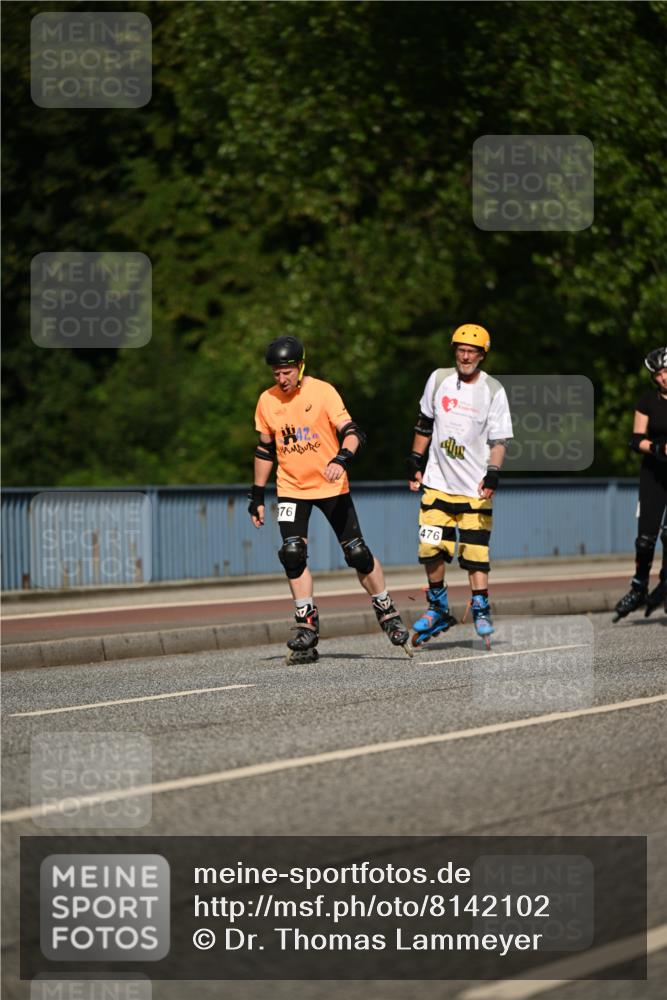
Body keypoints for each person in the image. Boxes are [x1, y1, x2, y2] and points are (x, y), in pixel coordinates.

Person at [248, 335, 411, 662]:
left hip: (330, 485)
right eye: (276, 373)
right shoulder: (267, 400)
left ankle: (387, 610)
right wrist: (257, 494)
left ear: (300, 366)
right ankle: (306, 623)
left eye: (287, 372)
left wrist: (340, 460)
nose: (281, 379)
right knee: (292, 553)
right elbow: (266, 449)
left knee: (357, 553)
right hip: (291, 487)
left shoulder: (323, 392)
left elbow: (353, 432)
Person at [407, 324, 513, 648]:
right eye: (461, 350)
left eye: (472, 352)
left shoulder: (493, 390)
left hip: (474, 488)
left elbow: (498, 440)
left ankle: (480, 605)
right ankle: (438, 606)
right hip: (437, 484)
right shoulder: (438, 380)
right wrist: (414, 460)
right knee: (429, 547)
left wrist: (493, 472)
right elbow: (424, 424)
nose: (465, 356)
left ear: (482, 355)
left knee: (475, 555)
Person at [613, 346, 667, 621]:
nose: (665, 377)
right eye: (660, 374)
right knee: (646, 539)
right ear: (653, 377)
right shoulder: (648, 401)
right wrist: (659, 449)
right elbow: (635, 440)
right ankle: (639, 586)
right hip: (654, 474)